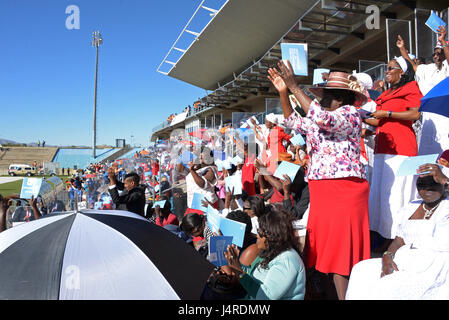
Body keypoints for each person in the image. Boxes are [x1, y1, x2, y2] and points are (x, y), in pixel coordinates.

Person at [268, 61, 371, 299]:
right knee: (325, 249)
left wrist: (295, 87)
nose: (322, 100)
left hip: (344, 190)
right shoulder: (321, 117)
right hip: (322, 191)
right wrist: (284, 92)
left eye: (327, 97)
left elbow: (323, 119)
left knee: (341, 254)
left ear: (342, 99)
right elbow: (293, 121)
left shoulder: (351, 114)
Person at [346, 174, 449, 299]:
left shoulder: (446, 205)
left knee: (388, 286)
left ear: (443, 185)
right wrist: (386, 257)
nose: (427, 190)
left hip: (433, 264)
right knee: (361, 270)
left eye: (433, 185)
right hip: (406, 259)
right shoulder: (412, 206)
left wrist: (443, 177)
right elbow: (399, 240)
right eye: (422, 185)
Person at [364, 56, 423, 245]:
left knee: (398, 194)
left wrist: (388, 113)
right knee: (381, 193)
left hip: (401, 148)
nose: (387, 71)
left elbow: (415, 113)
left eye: (391, 68)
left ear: (402, 72)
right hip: (383, 147)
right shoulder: (386, 94)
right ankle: (381, 234)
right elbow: (378, 121)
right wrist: (361, 117)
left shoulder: (411, 87)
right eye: (387, 68)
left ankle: (397, 238)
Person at [224, 206, 306, 300]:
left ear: (272, 237)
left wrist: (239, 271)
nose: (257, 236)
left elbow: (265, 296)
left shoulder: (287, 259)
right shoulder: (270, 252)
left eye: (260, 234)